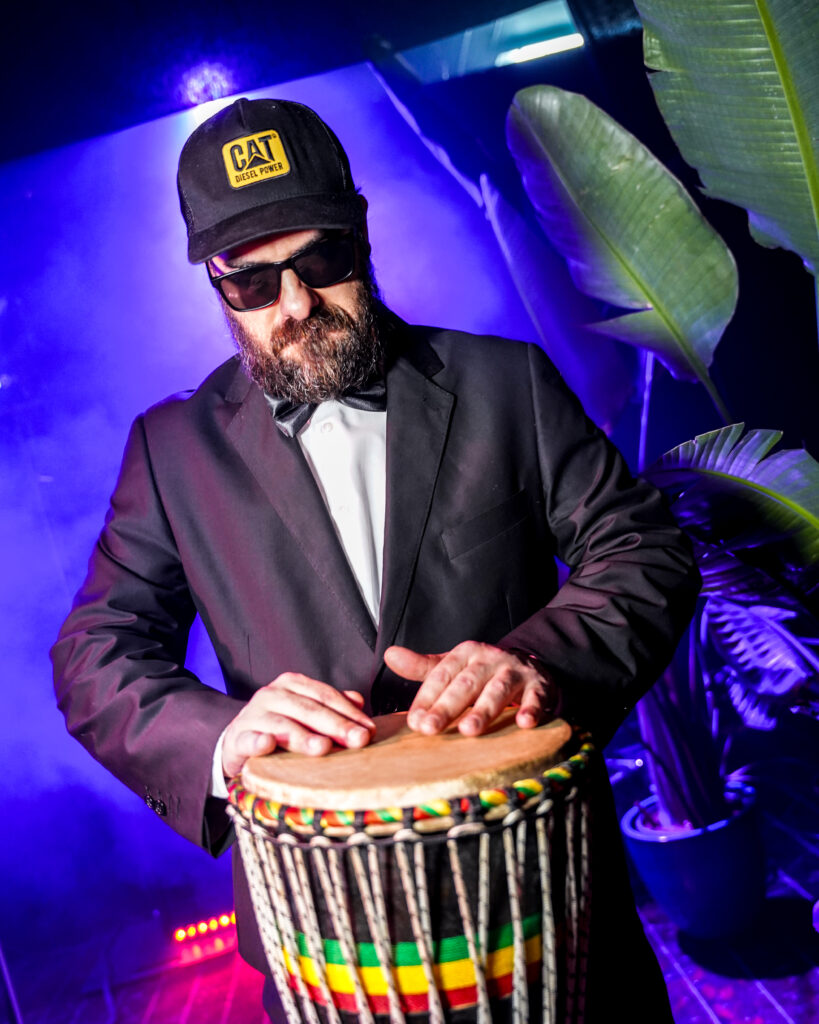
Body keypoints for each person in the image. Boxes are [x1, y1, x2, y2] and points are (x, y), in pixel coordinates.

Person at [52, 97, 700, 1021]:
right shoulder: (169, 452)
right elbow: (92, 655)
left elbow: (643, 549)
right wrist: (225, 739)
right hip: (324, 947)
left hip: (550, 913)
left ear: (360, 233)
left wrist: (534, 660)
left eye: (320, 262)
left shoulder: (505, 383)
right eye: (252, 284)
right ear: (215, 284)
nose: (295, 305)